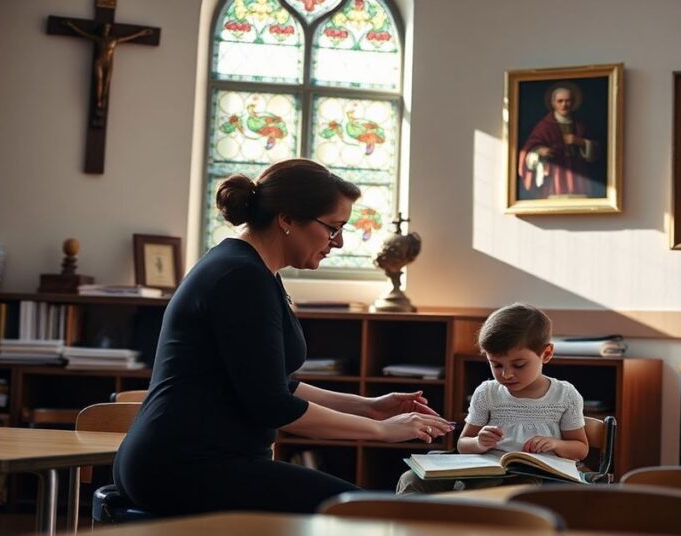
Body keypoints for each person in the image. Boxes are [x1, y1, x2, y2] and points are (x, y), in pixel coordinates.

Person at [114, 159, 453, 515]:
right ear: (287, 219)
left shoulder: (253, 269)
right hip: (184, 466)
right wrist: (380, 431)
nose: (338, 242)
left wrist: (368, 406)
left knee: (364, 511)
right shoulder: (241, 278)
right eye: (333, 228)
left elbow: (273, 384)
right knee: (367, 514)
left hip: (193, 460)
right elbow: (273, 405)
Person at [396, 303, 588, 493]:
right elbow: (463, 444)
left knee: (511, 488)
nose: (506, 374)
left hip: (536, 476)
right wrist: (479, 442)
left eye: (518, 365)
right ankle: (412, 521)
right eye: (496, 365)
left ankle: (464, 511)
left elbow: (580, 449)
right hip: (483, 470)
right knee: (411, 479)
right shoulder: (487, 392)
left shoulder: (565, 395)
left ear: (546, 354)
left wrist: (555, 444)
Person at [518, 84, 601, 199]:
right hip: (554, 176)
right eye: (560, 101)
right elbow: (527, 150)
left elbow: (598, 151)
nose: (564, 105)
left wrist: (581, 142)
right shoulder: (544, 126)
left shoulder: (580, 125)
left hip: (578, 174)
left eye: (568, 101)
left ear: (573, 103)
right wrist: (539, 151)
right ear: (553, 103)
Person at [63, 21, 154, 112]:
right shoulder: (98, 39)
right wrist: (72, 26)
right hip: (99, 62)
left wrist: (141, 33)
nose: (105, 31)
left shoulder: (114, 40)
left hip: (108, 63)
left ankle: (102, 101)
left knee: (106, 82)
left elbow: (128, 38)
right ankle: (98, 102)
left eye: (107, 29)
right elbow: (84, 34)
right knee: (99, 81)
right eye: (104, 29)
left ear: (109, 30)